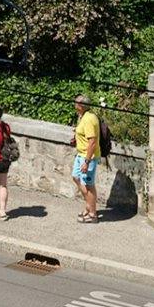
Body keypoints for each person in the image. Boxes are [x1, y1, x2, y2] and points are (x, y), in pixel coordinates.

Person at [71, 95, 101, 224]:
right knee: (76, 177)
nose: (74, 104)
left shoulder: (89, 119)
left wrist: (87, 162)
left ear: (81, 105)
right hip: (81, 154)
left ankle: (92, 214)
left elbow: (92, 142)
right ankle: (89, 206)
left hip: (88, 157)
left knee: (89, 185)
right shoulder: (82, 116)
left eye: (76, 103)